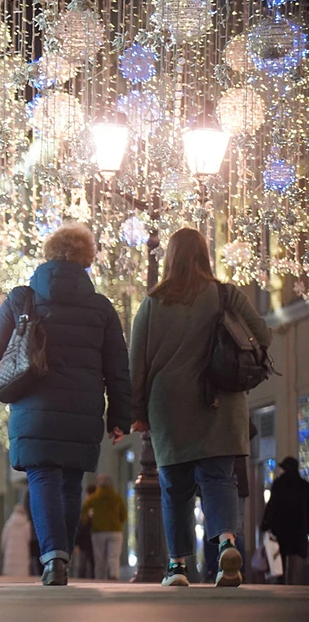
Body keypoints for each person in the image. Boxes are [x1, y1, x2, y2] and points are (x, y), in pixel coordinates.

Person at [0, 222, 132, 586]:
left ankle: (54, 559)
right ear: (87, 259)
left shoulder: (23, 298)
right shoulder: (101, 308)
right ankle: (60, 556)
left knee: (42, 478)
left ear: (48, 255)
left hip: (33, 408)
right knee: (69, 484)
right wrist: (120, 417)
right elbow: (118, 368)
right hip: (82, 412)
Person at [130, 228, 272, 588]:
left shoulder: (152, 303)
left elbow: (137, 364)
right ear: (205, 255)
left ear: (169, 258)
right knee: (218, 478)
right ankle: (227, 543)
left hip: (169, 407)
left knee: (174, 487)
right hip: (220, 402)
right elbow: (263, 337)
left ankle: (177, 567)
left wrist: (136, 412)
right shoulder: (226, 295)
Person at [205, 420, 258, 582]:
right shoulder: (235, 425)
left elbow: (250, 429)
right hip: (232, 482)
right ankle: (234, 570)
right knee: (233, 530)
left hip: (221, 482)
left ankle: (219, 570)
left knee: (217, 529)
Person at [261, 457, 309, 585]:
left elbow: (272, 504)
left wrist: (266, 523)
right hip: (298, 527)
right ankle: (294, 580)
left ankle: (281, 578)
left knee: (281, 552)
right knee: (296, 553)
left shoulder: (279, 483)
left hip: (280, 526)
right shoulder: (303, 485)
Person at [80, 474, 127, 580]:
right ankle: (114, 574)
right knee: (114, 556)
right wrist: (118, 523)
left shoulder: (94, 498)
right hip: (115, 531)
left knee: (99, 557)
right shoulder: (117, 498)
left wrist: (86, 521)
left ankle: (100, 577)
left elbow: (84, 511)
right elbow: (124, 514)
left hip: (98, 531)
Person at [72, 484, 97, 578]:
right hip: (89, 538)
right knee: (91, 561)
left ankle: (83, 578)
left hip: (85, 539)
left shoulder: (86, 507)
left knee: (83, 563)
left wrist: (76, 542)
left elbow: (81, 525)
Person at [1, 504, 32, 577]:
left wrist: (3, 550)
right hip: (23, 552)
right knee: (22, 575)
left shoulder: (8, 524)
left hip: (10, 552)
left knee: (9, 575)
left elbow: (4, 540)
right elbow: (28, 538)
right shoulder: (27, 524)